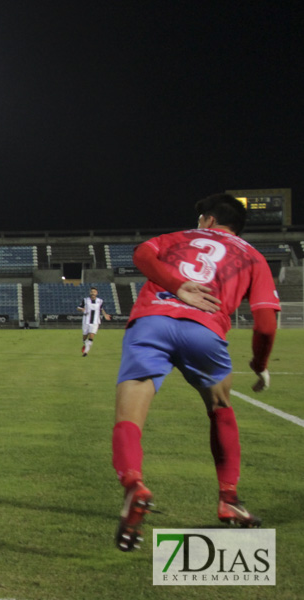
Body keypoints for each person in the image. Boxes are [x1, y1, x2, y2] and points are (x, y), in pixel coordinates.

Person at [112, 193, 280, 552]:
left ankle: (133, 485)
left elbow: (142, 253)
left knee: (129, 416)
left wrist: (175, 286)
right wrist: (260, 365)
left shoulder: (180, 237)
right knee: (220, 408)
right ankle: (228, 498)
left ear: (206, 220)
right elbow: (265, 325)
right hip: (205, 331)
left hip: (151, 323)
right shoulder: (254, 257)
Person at [77, 286, 111, 356]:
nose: (93, 293)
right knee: (84, 337)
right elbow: (78, 308)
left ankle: (86, 351)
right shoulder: (85, 300)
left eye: (94, 292)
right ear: (90, 293)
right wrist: (82, 309)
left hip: (95, 321)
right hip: (86, 321)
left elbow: (101, 309)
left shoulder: (100, 301)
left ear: (97, 293)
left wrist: (105, 315)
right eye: (92, 292)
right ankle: (86, 345)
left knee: (92, 335)